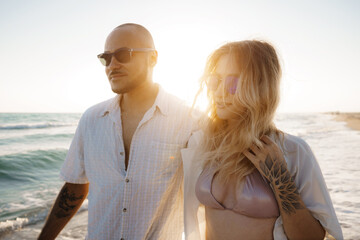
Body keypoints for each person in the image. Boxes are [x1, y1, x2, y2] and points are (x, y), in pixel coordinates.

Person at [38, 23, 197, 240]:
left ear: (153, 58)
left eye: (123, 55)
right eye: (106, 58)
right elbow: (74, 189)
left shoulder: (190, 120)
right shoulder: (91, 119)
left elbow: (214, 194)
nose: (112, 65)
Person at [181, 40, 343, 239]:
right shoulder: (202, 145)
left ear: (260, 87)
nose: (220, 92)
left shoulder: (293, 151)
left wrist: (281, 178)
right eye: (215, 81)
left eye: (233, 82)